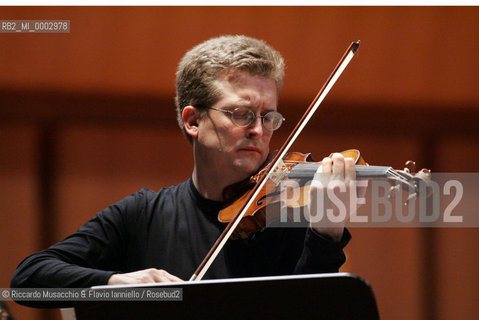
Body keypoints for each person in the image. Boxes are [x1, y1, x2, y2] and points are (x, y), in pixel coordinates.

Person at [11, 35, 357, 302]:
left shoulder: (292, 220)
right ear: (193, 121)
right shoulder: (143, 215)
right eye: (241, 114)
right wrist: (115, 281)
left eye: (270, 117)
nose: (259, 130)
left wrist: (325, 235)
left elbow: (312, 308)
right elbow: (28, 281)